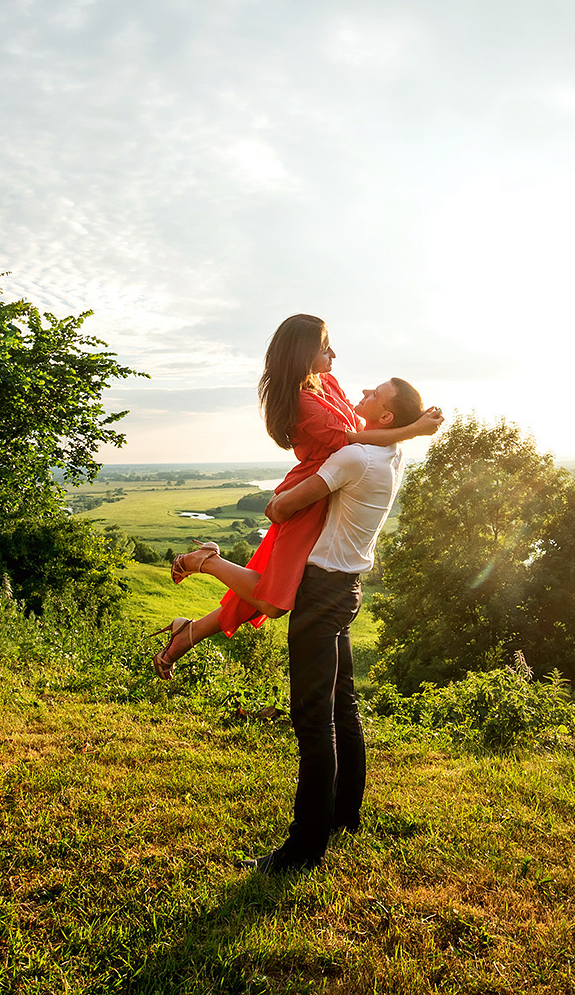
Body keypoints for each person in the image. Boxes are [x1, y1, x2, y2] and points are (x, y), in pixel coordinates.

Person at [180, 374, 428, 874]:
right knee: (342, 707)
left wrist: (283, 499)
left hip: (320, 594)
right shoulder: (391, 453)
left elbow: (282, 507)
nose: (361, 394)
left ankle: (303, 851)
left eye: (373, 395)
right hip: (348, 589)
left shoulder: (355, 457)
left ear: (384, 417)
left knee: (313, 721)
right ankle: (344, 818)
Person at [151, 313, 439, 676]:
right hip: (311, 492)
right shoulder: (303, 400)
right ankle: (206, 561)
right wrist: (412, 430)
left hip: (331, 488)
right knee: (273, 599)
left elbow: (358, 429)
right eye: (325, 348)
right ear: (303, 355)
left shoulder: (327, 382)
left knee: (265, 585)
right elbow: (352, 438)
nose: (333, 355)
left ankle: (187, 633)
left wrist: (406, 423)